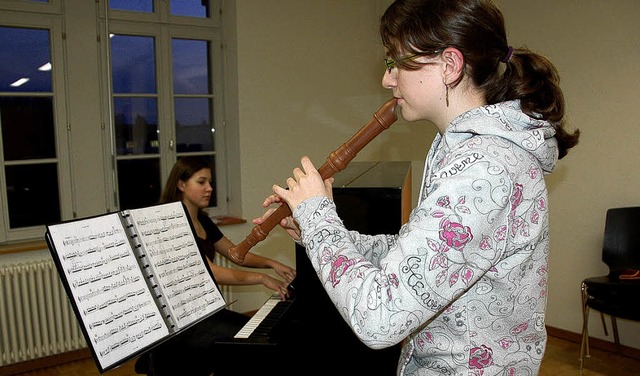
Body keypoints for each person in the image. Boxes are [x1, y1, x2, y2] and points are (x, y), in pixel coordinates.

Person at [254, 0, 580, 375]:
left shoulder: (485, 169)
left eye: (396, 62)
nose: (387, 79)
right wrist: (316, 231)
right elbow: (417, 260)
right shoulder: (462, 149)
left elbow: (379, 319)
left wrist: (317, 214)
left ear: (449, 66)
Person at [136, 156, 296, 376]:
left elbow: (234, 253)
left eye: (210, 182)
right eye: (201, 182)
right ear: (181, 185)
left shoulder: (202, 220)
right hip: (184, 322)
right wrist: (262, 278)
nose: (209, 188)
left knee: (253, 336)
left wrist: (271, 263)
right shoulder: (170, 224)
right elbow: (210, 271)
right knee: (247, 344)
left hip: (205, 312)